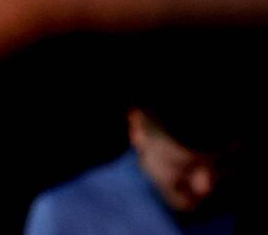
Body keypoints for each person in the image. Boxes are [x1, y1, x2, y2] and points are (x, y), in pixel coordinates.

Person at [23, 40, 243, 235]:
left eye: (222, 164)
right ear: (138, 129)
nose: (205, 185)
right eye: (184, 166)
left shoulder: (232, 207)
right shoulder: (66, 214)